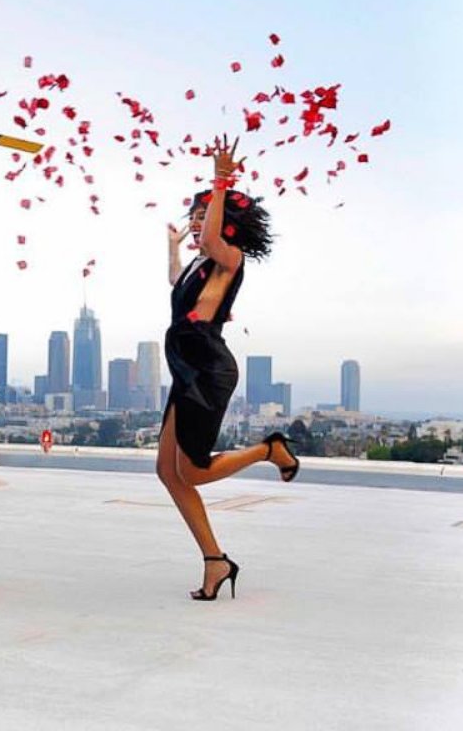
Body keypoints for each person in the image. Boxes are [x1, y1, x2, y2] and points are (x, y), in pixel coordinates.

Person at [157, 135, 301, 601]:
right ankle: (215, 561)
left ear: (226, 223)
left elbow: (216, 238)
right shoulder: (201, 263)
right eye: (194, 216)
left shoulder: (228, 258)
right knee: (167, 471)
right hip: (186, 368)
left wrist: (220, 180)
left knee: (193, 472)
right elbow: (175, 283)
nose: (198, 223)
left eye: (205, 217)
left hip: (206, 369)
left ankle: (268, 450)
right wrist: (174, 247)